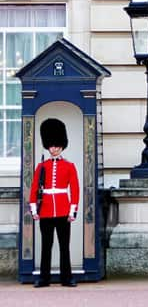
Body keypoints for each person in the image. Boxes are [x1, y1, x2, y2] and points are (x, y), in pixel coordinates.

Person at [28, 118, 79, 288]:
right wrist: (34, 209)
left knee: (65, 247)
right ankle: (44, 278)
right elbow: (34, 188)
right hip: (46, 211)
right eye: (51, 145)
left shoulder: (69, 166)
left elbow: (75, 189)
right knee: (46, 246)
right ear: (47, 146)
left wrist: (73, 211)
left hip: (64, 210)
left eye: (57, 146)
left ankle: (67, 278)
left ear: (62, 146)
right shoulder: (41, 166)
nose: (54, 148)